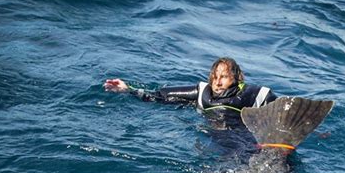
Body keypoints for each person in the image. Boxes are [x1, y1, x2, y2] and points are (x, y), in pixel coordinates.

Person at [104, 57, 277, 119]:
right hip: (218, 138)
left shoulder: (254, 95)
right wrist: (128, 90)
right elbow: (160, 97)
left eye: (223, 77)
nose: (217, 83)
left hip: (245, 136)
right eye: (214, 77)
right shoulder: (203, 92)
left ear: (236, 77)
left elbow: (282, 112)